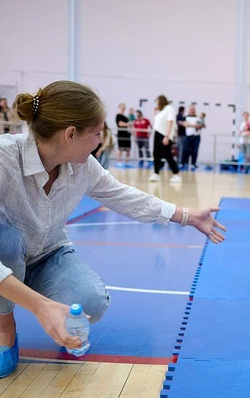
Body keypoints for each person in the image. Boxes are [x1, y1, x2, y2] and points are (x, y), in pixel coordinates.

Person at [0, 81, 227, 378]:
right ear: (70, 134)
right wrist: (41, 307)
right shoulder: (5, 157)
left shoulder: (83, 166)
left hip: (47, 253)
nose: (100, 141)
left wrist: (187, 216)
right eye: (96, 133)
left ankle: (23, 293)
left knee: (90, 303)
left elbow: (123, 196)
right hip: (6, 253)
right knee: (6, 240)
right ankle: (4, 326)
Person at [150, 95, 181, 183]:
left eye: (157, 101)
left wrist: (167, 136)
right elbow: (156, 122)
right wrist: (154, 112)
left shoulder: (169, 108)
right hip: (157, 132)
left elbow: (170, 121)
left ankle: (176, 174)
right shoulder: (161, 111)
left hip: (164, 135)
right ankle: (156, 173)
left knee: (167, 155)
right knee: (156, 154)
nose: (156, 103)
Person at [182, 105, 204, 170]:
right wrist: (194, 125)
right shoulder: (185, 117)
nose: (192, 111)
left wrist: (192, 125)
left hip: (196, 136)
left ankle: (193, 164)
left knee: (195, 151)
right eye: (191, 109)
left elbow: (201, 125)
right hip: (188, 136)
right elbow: (185, 125)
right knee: (186, 150)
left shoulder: (198, 118)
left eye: (193, 109)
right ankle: (184, 163)